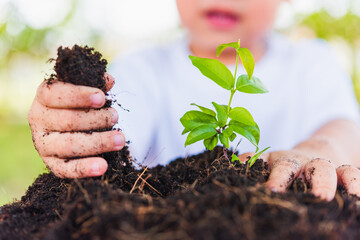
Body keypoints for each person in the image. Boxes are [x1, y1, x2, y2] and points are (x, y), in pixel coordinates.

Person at [28, 0, 360, 201]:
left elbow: (344, 129)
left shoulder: (312, 65)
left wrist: (319, 152)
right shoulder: (142, 70)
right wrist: (72, 123)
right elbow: (113, 127)